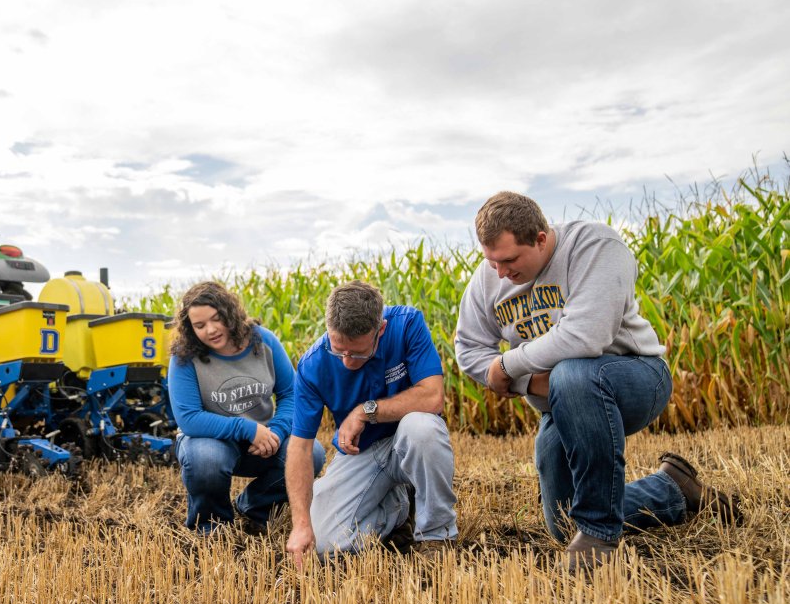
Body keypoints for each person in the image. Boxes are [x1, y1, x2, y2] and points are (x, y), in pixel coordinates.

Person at [454, 191, 742, 571]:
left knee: (573, 374)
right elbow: (469, 350)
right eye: (492, 262)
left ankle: (598, 534)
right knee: (561, 521)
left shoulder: (593, 245)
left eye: (509, 260)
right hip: (560, 402)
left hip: (635, 376)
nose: (501, 274)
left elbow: (585, 337)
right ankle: (671, 489)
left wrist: (509, 366)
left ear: (541, 239)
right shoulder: (488, 278)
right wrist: (528, 384)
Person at [284, 281, 458, 564]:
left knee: (423, 429)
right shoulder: (312, 365)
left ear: (381, 330)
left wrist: (365, 411)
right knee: (327, 544)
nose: (346, 362)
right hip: (363, 453)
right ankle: (400, 510)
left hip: (409, 441)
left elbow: (433, 397)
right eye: (338, 350)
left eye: (358, 353)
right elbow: (300, 447)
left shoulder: (407, 324)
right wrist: (301, 524)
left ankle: (437, 536)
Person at [168, 281, 325, 533]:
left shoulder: (263, 342)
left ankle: (255, 507)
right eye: (199, 325)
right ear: (190, 328)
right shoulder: (185, 358)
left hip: (263, 439)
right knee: (206, 460)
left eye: (216, 319)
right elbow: (188, 418)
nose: (210, 330)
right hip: (210, 440)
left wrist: (276, 430)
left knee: (312, 453)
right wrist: (246, 429)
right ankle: (212, 525)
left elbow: (291, 394)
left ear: (229, 312)